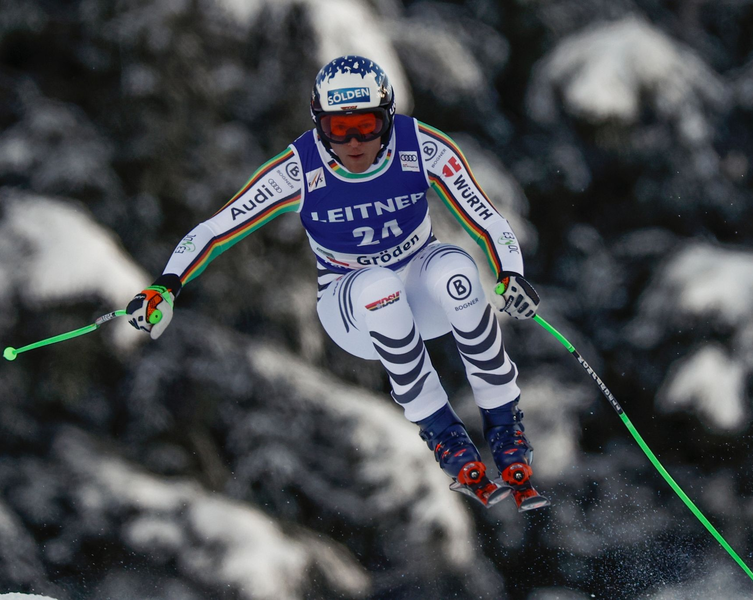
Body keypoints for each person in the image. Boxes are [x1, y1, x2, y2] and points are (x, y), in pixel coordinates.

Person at [126, 55, 549, 511]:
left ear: (387, 117)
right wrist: (166, 285)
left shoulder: (422, 146)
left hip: (422, 281)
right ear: (318, 123)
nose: (352, 142)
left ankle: (506, 427)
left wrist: (511, 275)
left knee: (457, 271)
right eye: (337, 128)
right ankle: (444, 436)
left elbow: (485, 218)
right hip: (351, 303)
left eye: (366, 125)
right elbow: (217, 228)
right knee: (378, 287)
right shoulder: (298, 169)